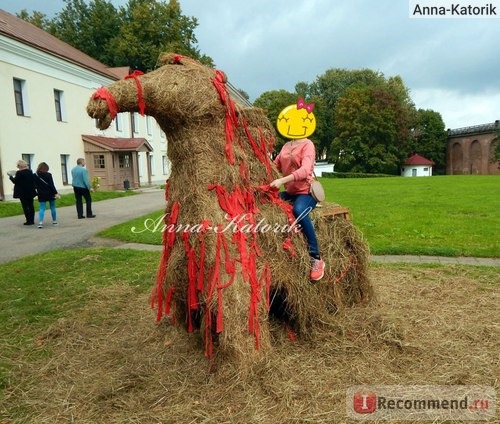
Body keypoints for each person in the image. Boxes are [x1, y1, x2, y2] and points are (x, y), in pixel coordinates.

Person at [270, 138, 325, 281]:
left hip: (306, 193)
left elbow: (305, 170)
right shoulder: (286, 146)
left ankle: (316, 258)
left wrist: (281, 181)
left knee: (299, 211)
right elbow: (274, 165)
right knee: (267, 204)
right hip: (290, 193)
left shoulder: (308, 145)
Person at [8, 160, 36, 226]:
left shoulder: (19, 173)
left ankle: (28, 221)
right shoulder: (30, 171)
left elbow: (15, 181)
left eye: (17, 166)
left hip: (22, 192)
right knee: (31, 206)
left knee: (25, 206)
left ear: (20, 166)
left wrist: (10, 177)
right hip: (30, 191)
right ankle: (32, 220)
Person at [33, 162, 59, 228]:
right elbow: (52, 185)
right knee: (52, 207)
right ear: (47, 168)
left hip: (41, 193)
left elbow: (34, 185)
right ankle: (54, 221)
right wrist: (55, 193)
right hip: (50, 193)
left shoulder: (35, 175)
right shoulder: (49, 175)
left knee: (42, 208)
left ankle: (40, 223)